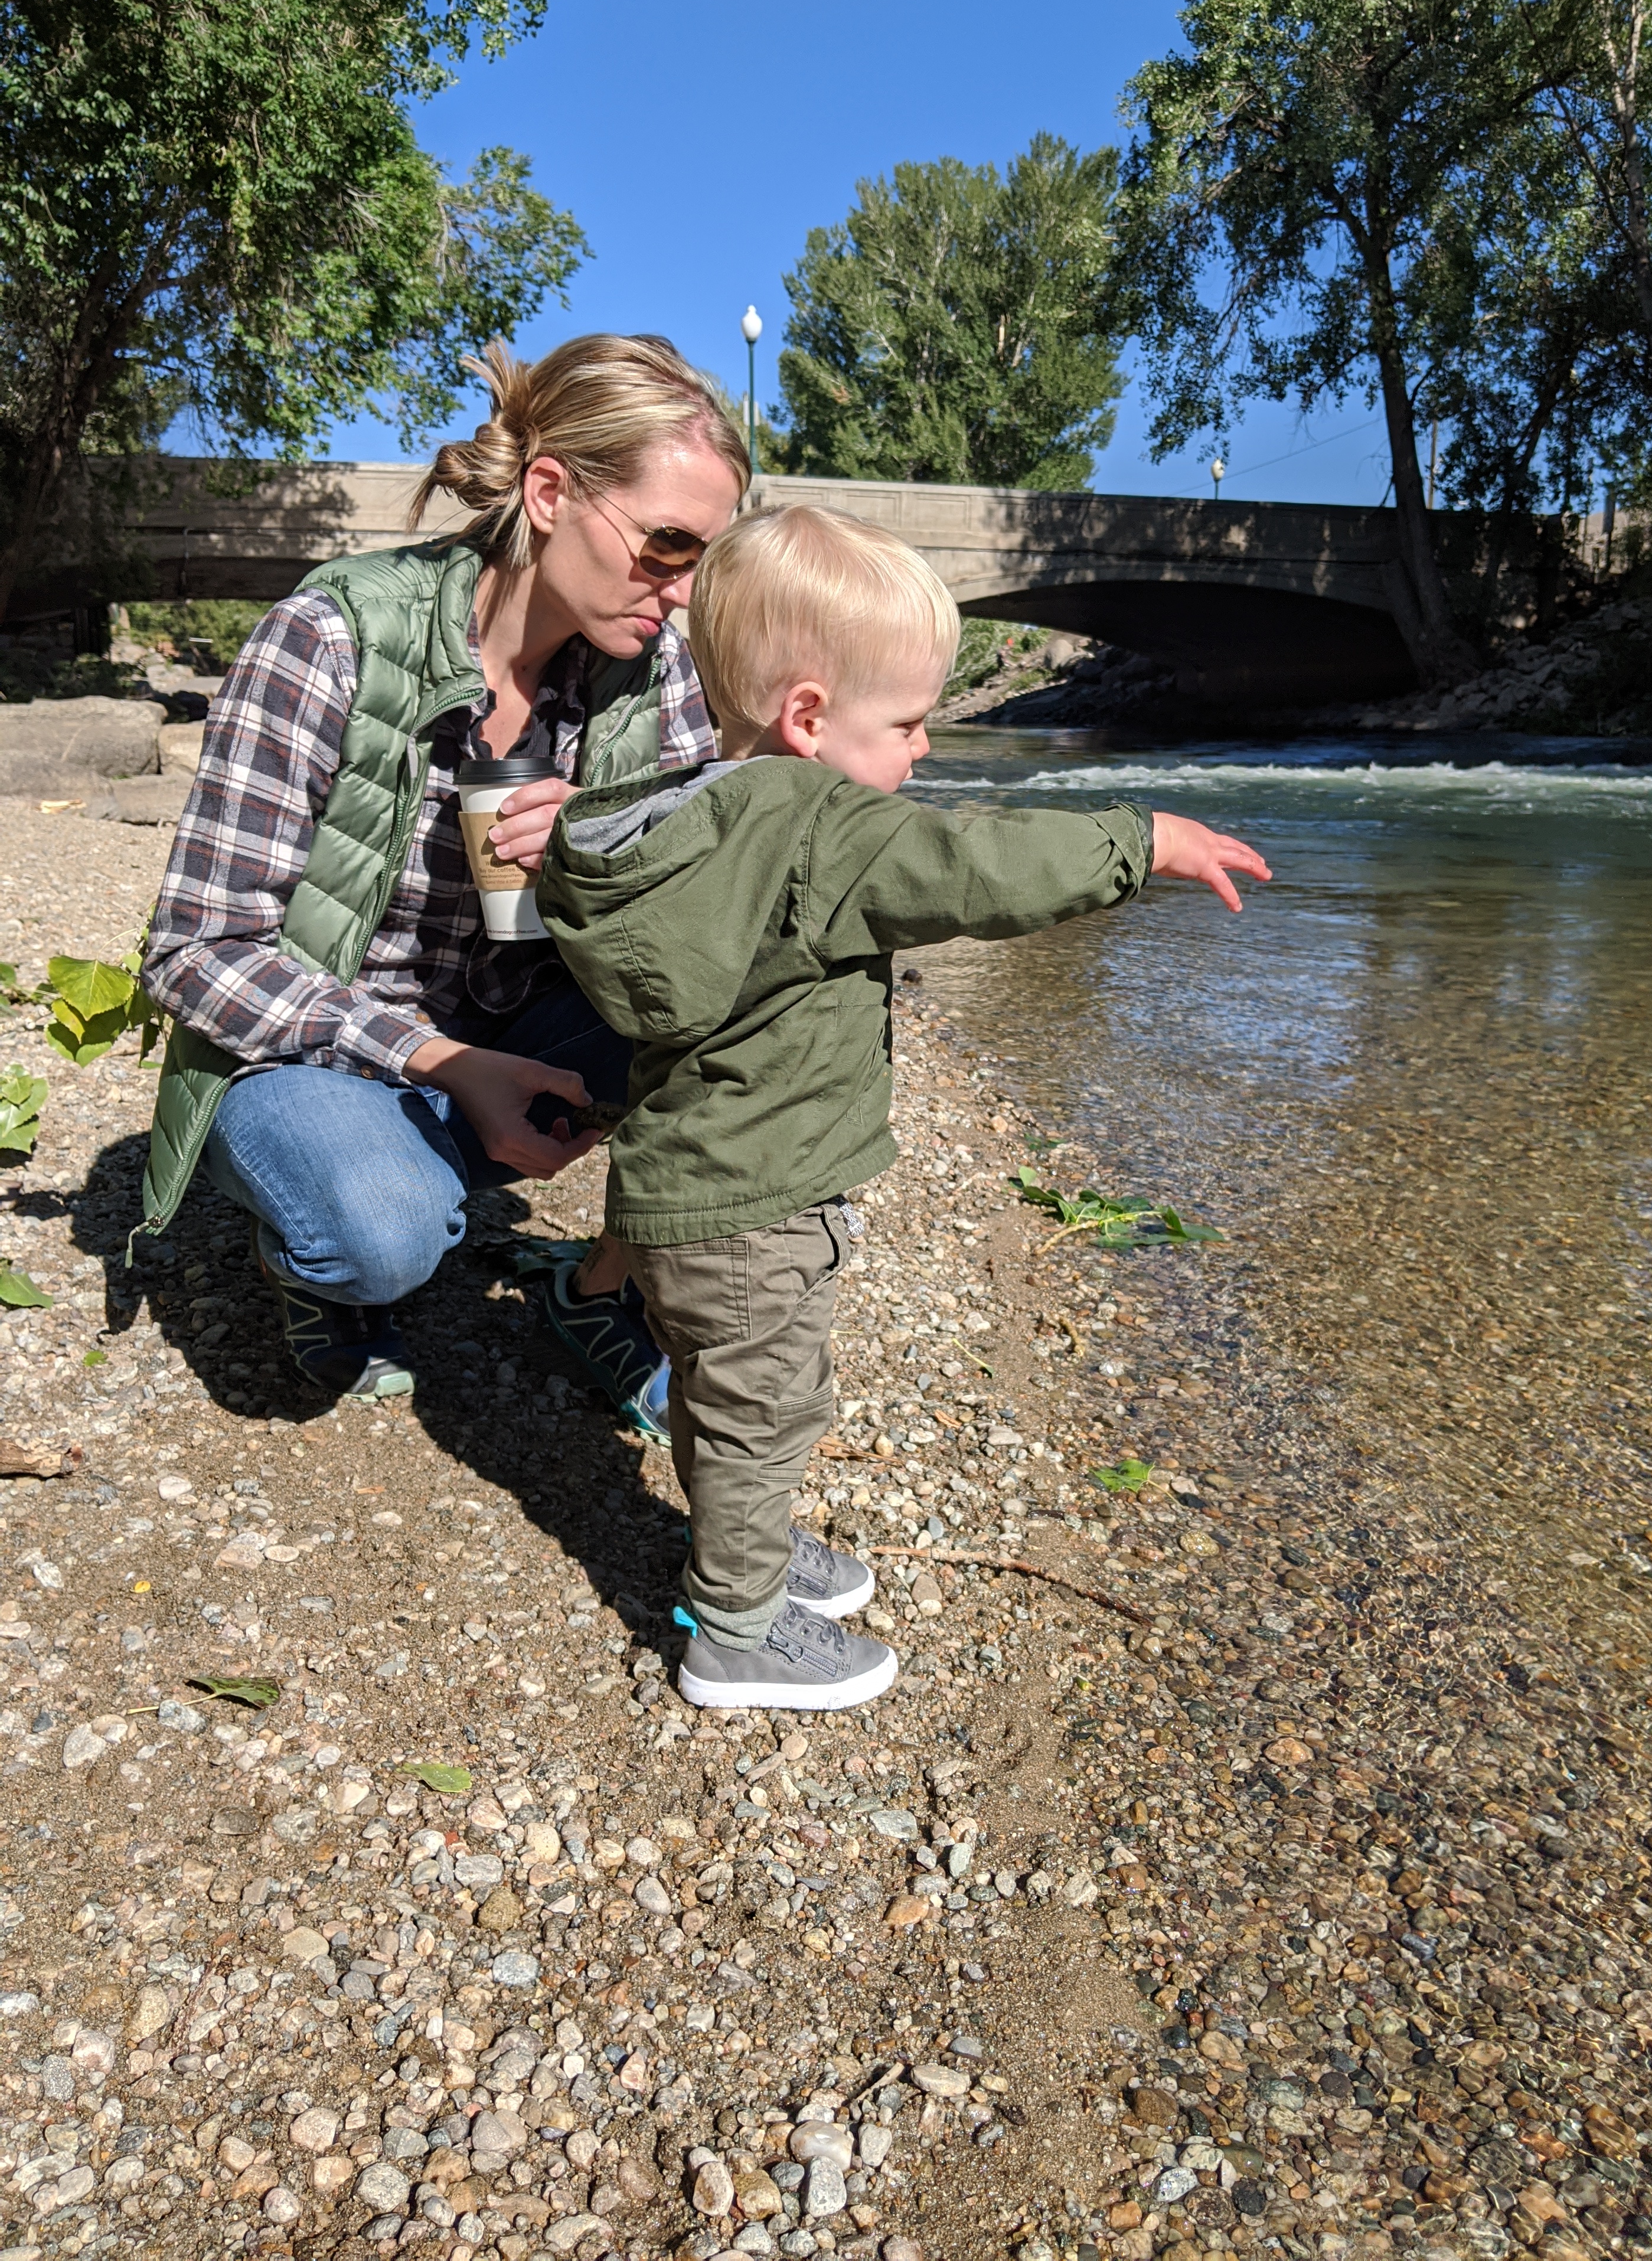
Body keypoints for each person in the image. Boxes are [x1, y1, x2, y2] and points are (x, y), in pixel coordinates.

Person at [537, 505, 1272, 1710]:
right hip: (759, 1212)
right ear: (810, 717)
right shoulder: (825, 825)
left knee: (743, 1397)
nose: (926, 752)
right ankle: (735, 1626)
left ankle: (752, 1557)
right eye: (911, 723)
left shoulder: (694, 817)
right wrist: (1139, 840)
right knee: (762, 1409)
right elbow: (976, 865)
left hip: (689, 1186)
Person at [138, 334, 749, 1423]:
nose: (683, 591)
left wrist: (611, 854)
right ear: (551, 493)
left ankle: (605, 1286)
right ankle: (325, 1259)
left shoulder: (658, 675)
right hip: (312, 1055)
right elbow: (197, 955)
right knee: (382, 1231)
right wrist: (442, 1061)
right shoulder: (330, 638)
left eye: (702, 558)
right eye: (665, 547)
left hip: (522, 1026)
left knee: (792, 1014)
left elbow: (715, 910)